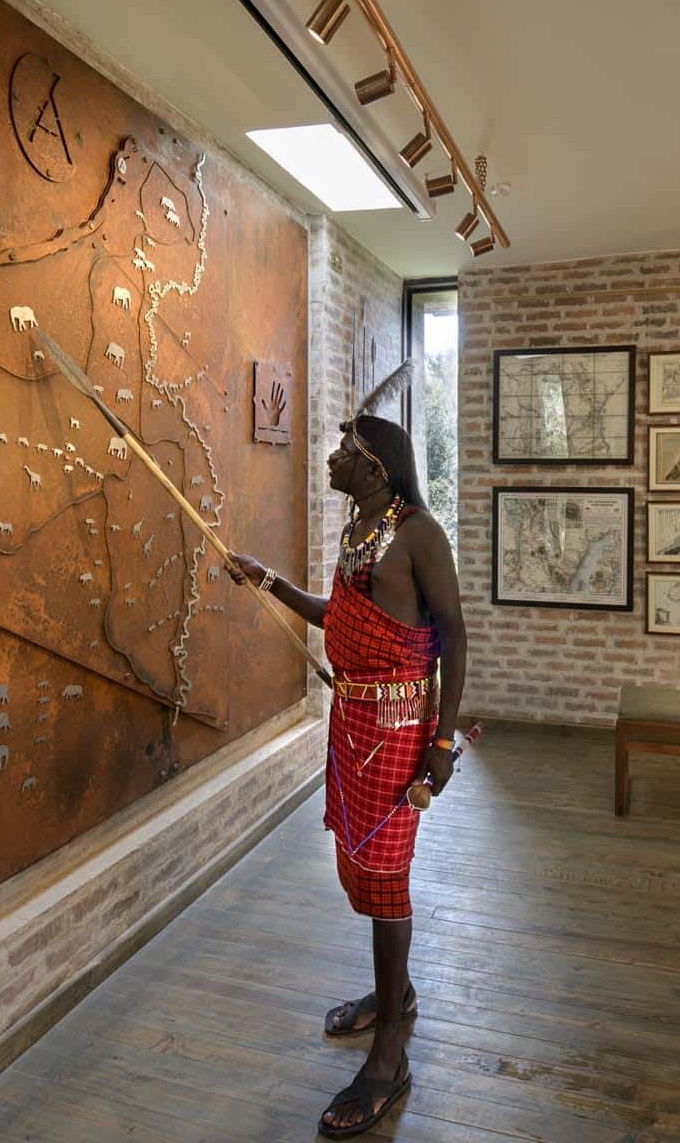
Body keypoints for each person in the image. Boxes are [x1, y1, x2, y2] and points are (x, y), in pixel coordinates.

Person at [223, 411, 467, 1138]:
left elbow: (455, 637)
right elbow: (339, 614)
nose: (331, 459)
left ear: (375, 466)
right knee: (360, 870)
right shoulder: (359, 531)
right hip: (353, 725)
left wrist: (443, 743)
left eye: (344, 450)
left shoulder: (420, 534)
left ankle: (388, 1057)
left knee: (387, 878)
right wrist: (269, 581)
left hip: (400, 730)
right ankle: (397, 994)